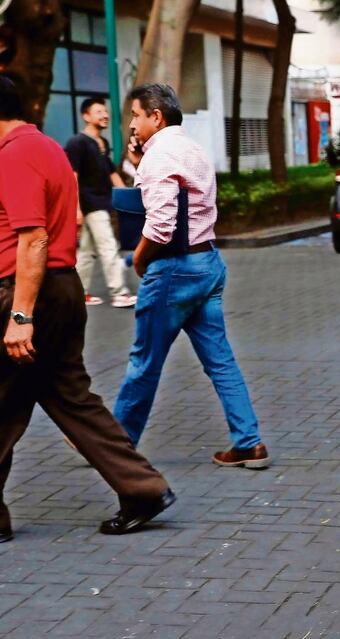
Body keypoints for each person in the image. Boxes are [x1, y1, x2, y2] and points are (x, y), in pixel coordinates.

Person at [0, 76, 175, 540]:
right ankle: (143, 489)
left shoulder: (14, 155)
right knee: (70, 400)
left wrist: (20, 316)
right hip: (60, 288)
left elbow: (33, 237)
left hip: (26, 293)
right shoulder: (47, 147)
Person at [113, 83, 270, 469]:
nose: (132, 123)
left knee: (144, 362)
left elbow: (162, 224)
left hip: (173, 270)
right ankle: (249, 443)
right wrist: (138, 160)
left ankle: (113, 445)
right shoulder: (191, 149)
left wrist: (138, 259)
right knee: (221, 361)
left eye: (135, 115)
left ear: (156, 116)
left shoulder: (159, 157)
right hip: (208, 264)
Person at [65, 97, 137, 308]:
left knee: (86, 252)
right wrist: (76, 208)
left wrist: (129, 199)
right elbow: (73, 177)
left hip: (99, 203)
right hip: (91, 205)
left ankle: (79, 294)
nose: (105, 115)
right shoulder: (77, 143)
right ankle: (119, 292)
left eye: (105, 111)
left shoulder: (102, 143)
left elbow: (111, 173)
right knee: (108, 246)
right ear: (86, 116)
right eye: (98, 112)